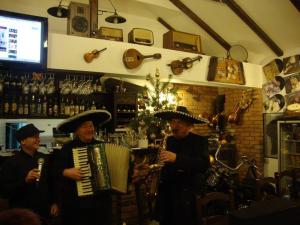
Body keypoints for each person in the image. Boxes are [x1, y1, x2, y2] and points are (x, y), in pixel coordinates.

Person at [52, 109, 112, 225]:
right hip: (77, 205)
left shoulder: (103, 147)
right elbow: (54, 171)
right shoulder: (67, 148)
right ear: (77, 131)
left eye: (91, 126)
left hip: (101, 205)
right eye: (85, 126)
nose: (90, 129)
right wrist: (66, 172)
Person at [152, 106, 210, 225]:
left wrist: (176, 158)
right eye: (172, 121)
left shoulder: (199, 141)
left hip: (187, 196)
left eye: (179, 122)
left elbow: (203, 165)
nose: (174, 126)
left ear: (189, 125)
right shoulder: (169, 140)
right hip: (167, 195)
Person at [0, 124, 59, 222]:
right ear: (22, 141)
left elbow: (52, 182)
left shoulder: (44, 158)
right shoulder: (11, 162)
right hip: (22, 214)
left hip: (45, 211)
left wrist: (55, 202)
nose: (38, 140)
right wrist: (25, 180)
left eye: (38, 137)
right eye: (34, 137)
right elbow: (4, 192)